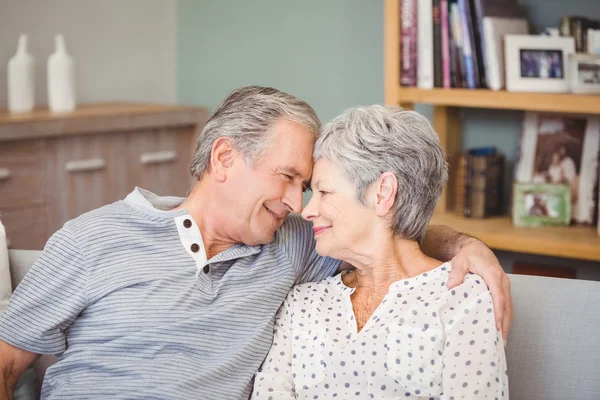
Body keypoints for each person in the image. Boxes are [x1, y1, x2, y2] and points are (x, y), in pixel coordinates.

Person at [0, 87, 512, 400]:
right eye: (287, 177)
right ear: (224, 158)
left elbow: (386, 233)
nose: (297, 201)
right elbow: (5, 364)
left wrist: (465, 244)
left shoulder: (294, 245)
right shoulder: (94, 238)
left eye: (309, 186)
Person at [252, 105, 508, 399]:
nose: (306, 211)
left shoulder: (462, 299)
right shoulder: (302, 303)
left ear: (383, 193)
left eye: (324, 192)